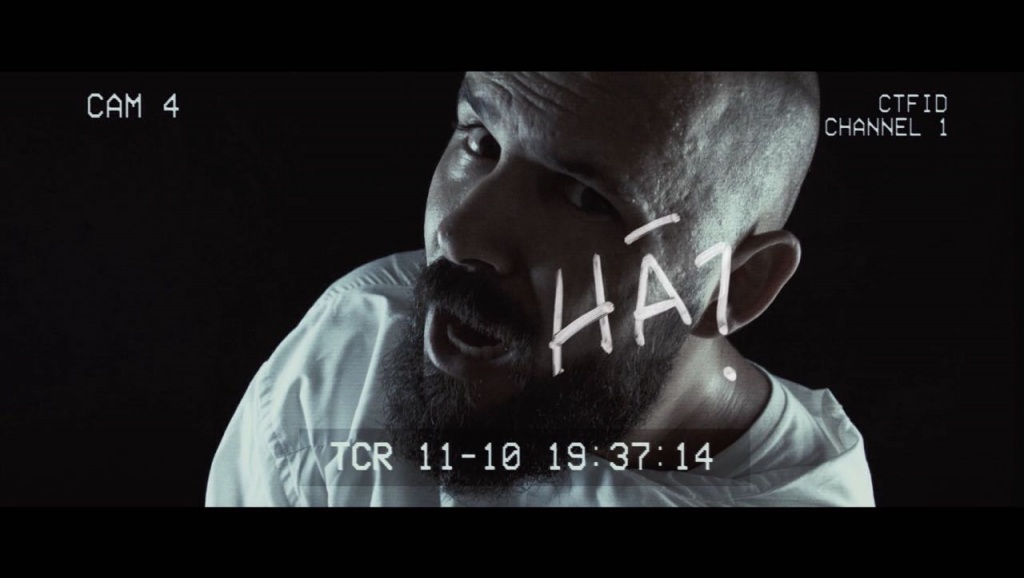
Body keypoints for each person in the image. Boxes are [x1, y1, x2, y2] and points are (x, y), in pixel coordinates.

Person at [206, 72, 875, 507]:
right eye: (480, 142)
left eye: (586, 199)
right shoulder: (358, 341)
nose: (460, 235)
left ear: (734, 285)